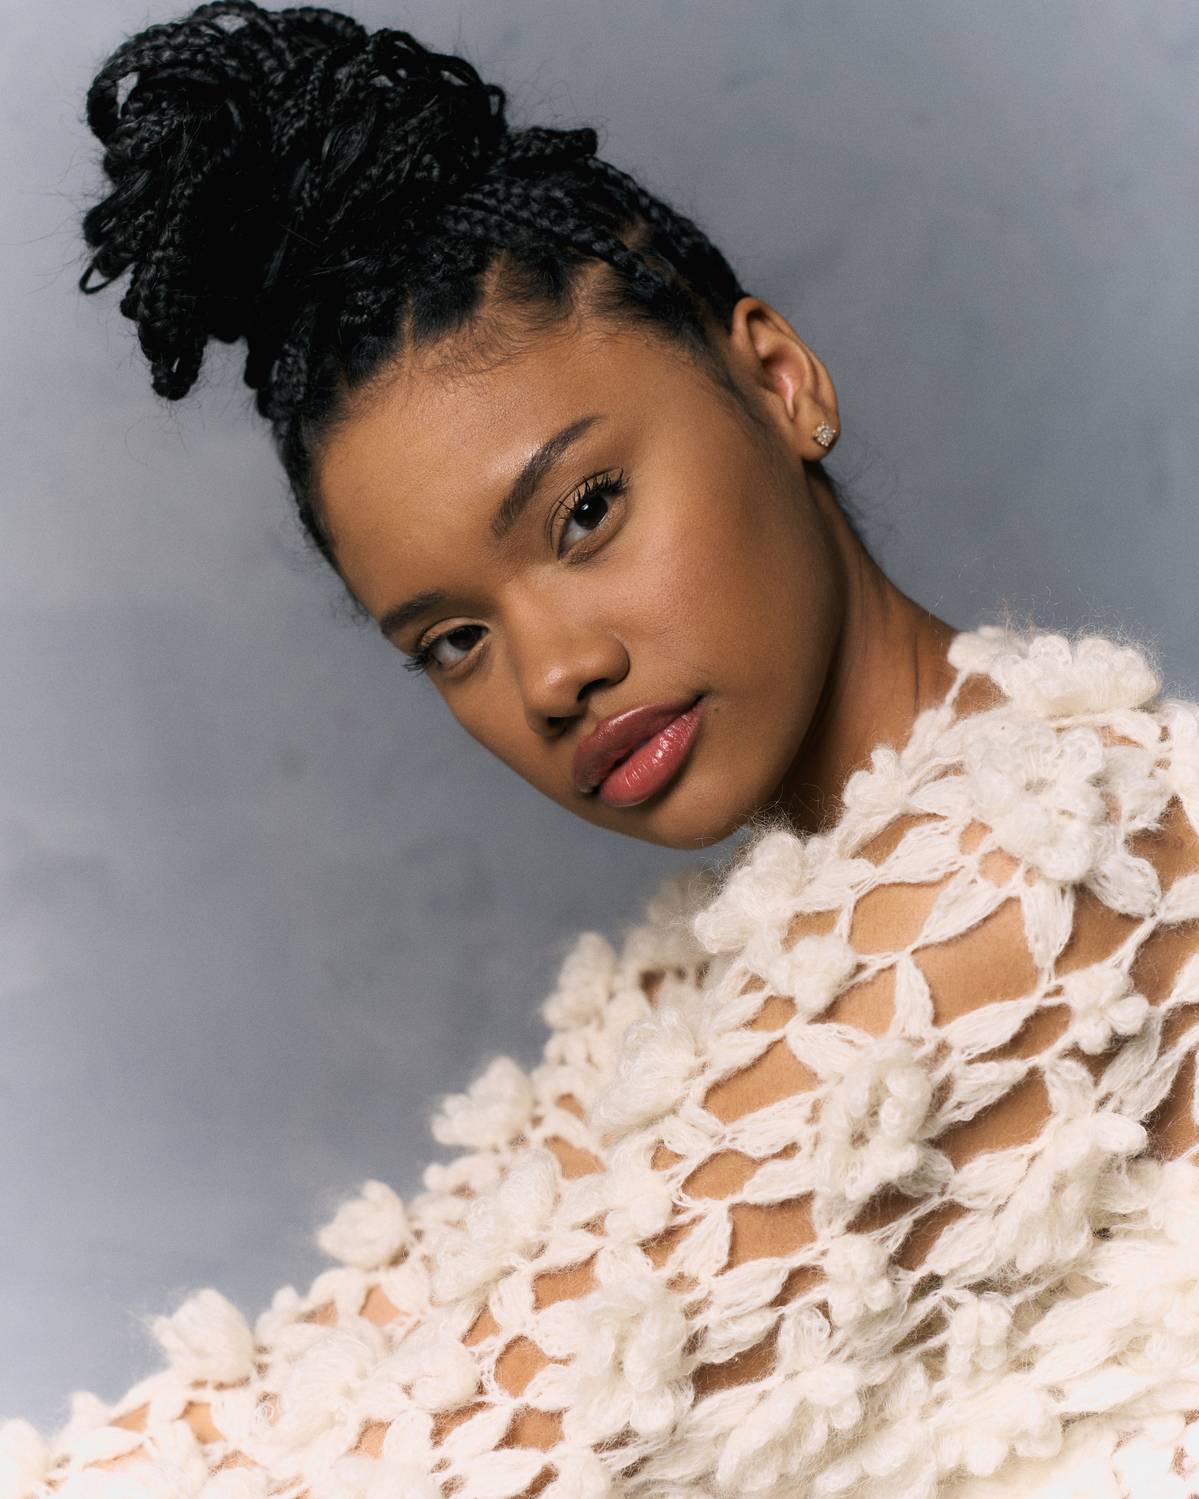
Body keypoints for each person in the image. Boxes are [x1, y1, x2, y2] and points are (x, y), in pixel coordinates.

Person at [3, 2, 1198, 1495]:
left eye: (584, 514)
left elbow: (465, 1456)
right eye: (454, 639)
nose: (555, 675)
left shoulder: (1044, 869)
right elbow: (362, 1362)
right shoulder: (696, 985)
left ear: (780, 381)